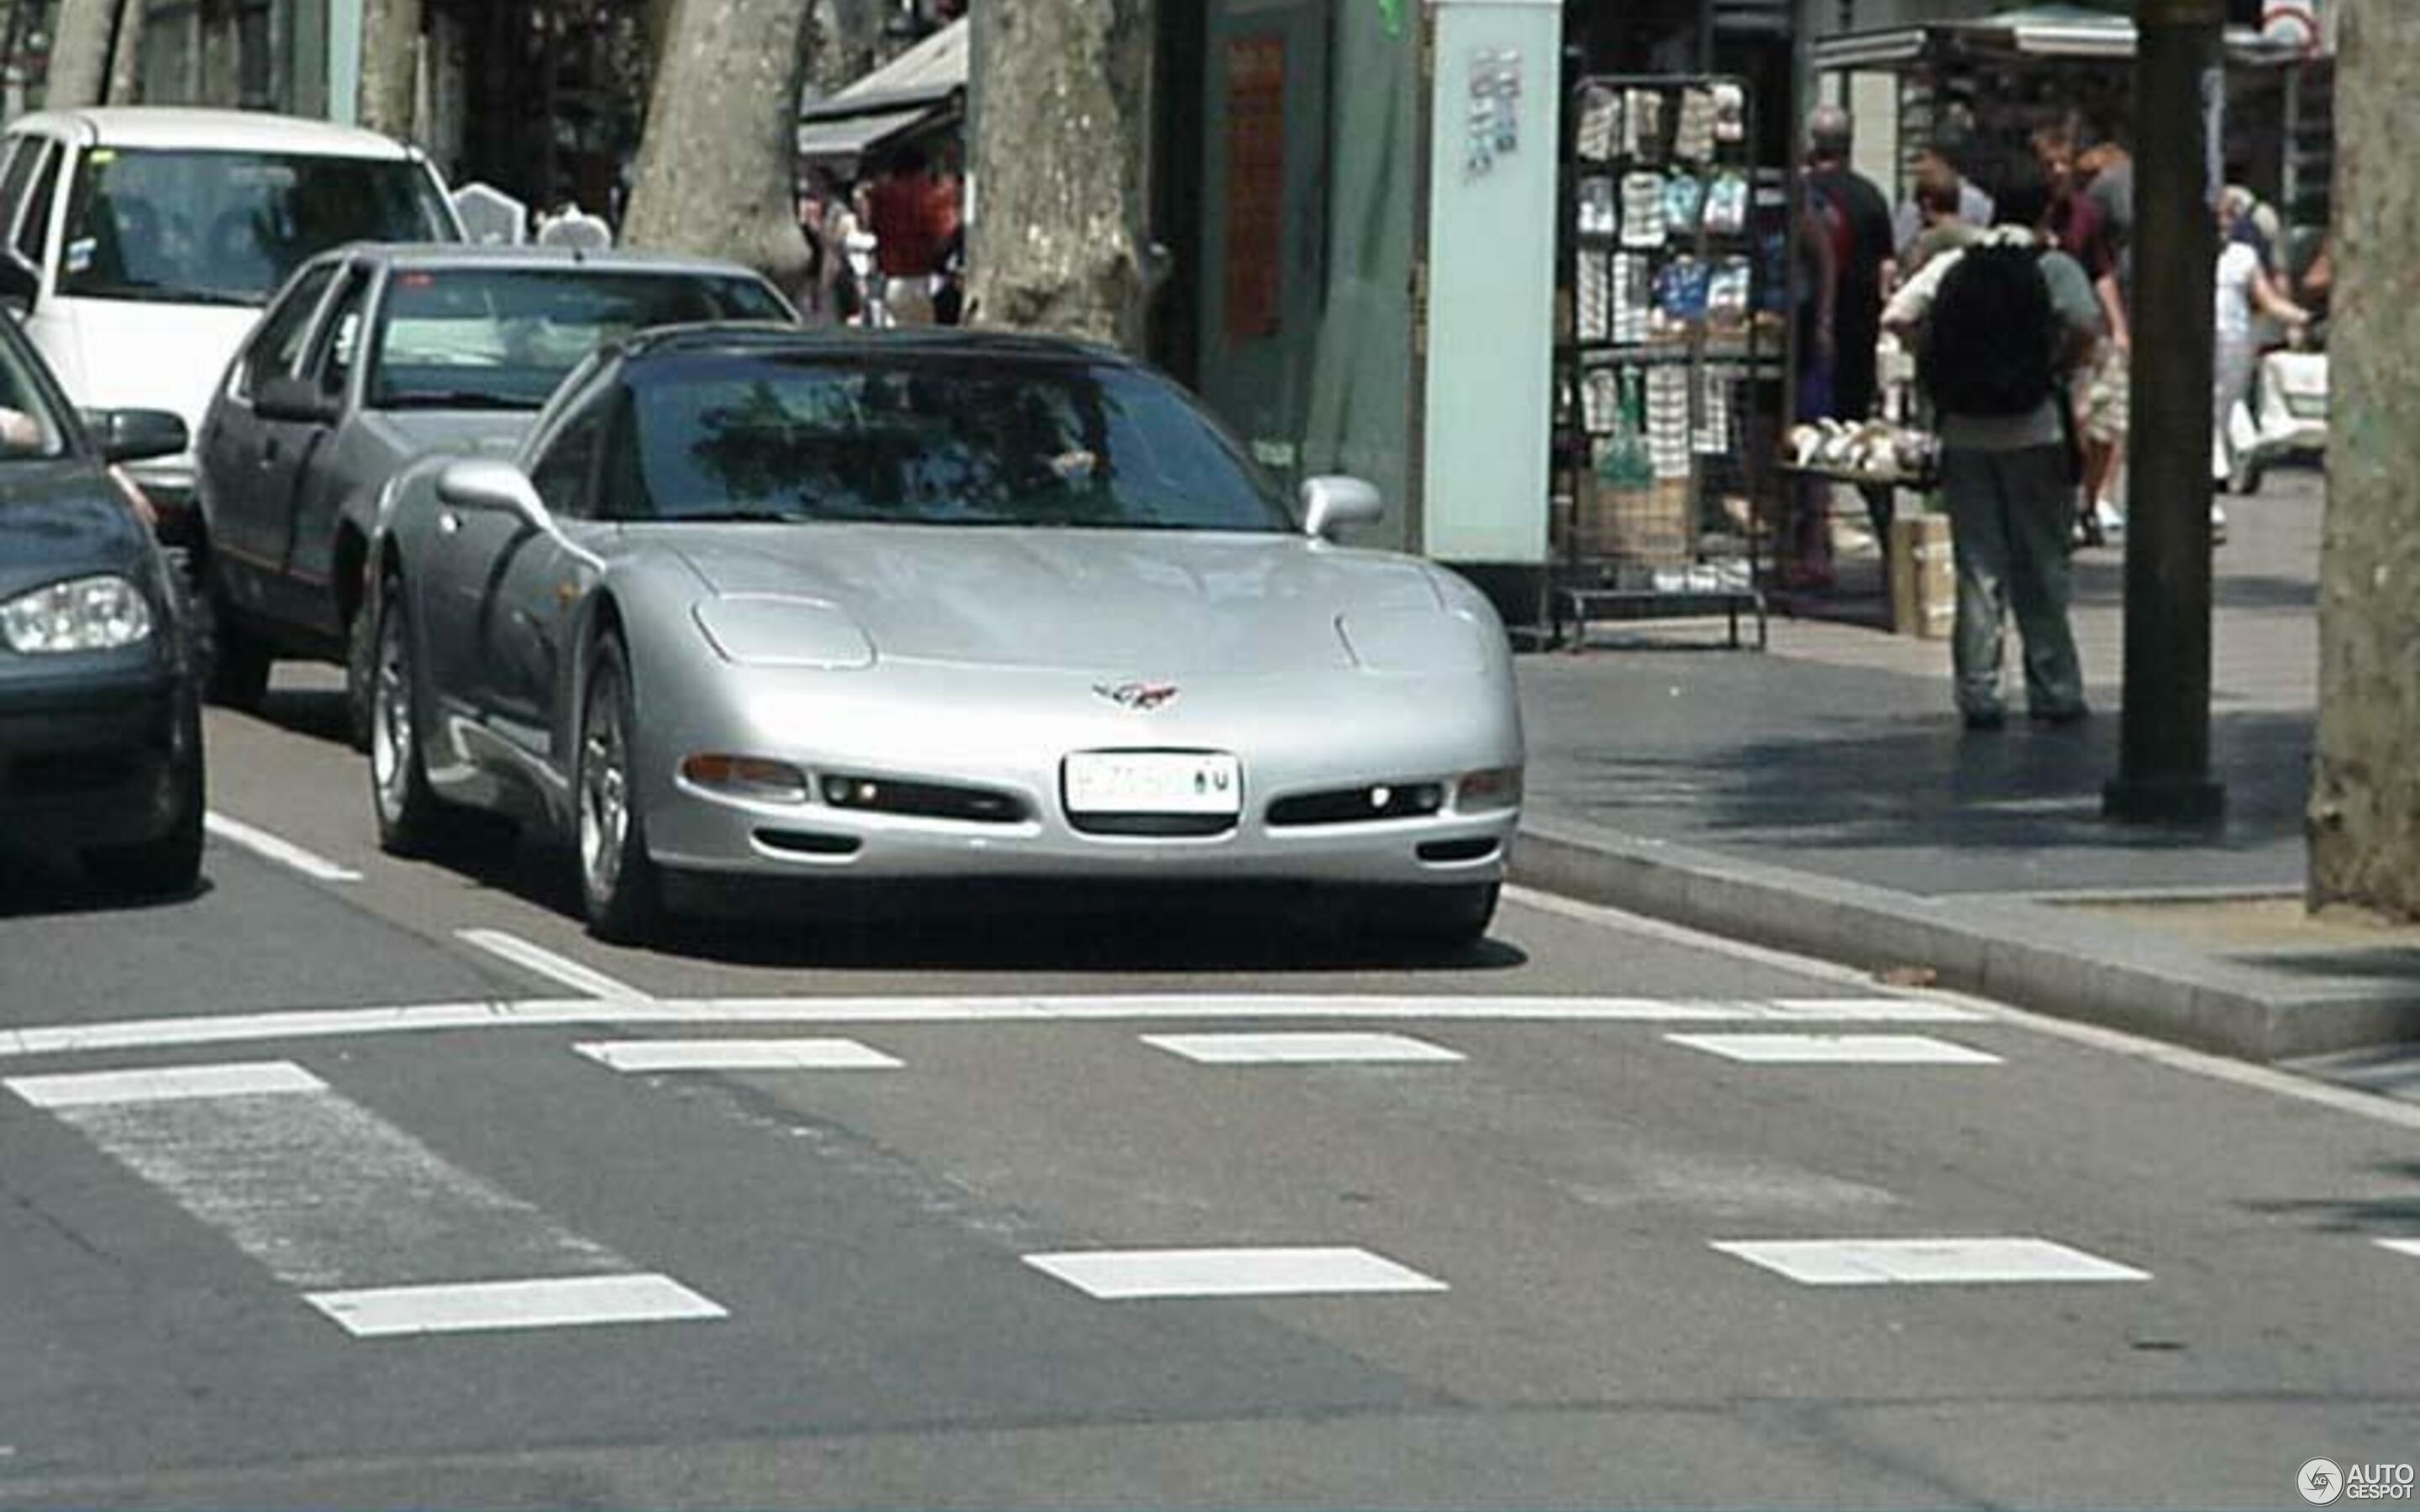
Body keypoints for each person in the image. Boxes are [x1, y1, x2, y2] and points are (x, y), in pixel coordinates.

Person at [1891, 179, 2098, 731]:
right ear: (2047, 213)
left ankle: (1979, 692)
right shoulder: (2053, 267)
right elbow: (2086, 325)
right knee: (2041, 565)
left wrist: (1941, 368)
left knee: (1978, 568)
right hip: (2036, 430)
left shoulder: (1957, 265)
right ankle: (2054, 688)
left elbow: (1899, 317)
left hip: (1965, 434)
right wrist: (2053, 366)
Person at [1800, 105, 1897, 571]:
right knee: (1860, 441)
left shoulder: (1805, 196)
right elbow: (1886, 271)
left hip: (1809, 335)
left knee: (1809, 439)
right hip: (1860, 332)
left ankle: (1813, 546)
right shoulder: (1871, 198)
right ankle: (1890, 538)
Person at [2212, 197, 2314, 490]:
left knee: (2228, 399)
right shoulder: (2191, 259)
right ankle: (2218, 464)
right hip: (2200, 341)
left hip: (2235, 340)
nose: (2224, 223)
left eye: (2229, 217)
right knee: (2209, 401)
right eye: (2219, 216)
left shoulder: (2244, 256)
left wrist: (2302, 318)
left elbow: (2267, 299)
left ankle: (2239, 453)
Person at [2073, 129, 2133, 546]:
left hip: (2108, 317)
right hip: (2114, 314)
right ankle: (2095, 497)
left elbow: (2099, 265)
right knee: (2102, 414)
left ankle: (2096, 497)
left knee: (2103, 413)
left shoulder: (2103, 189)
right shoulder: (2108, 188)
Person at [862, 143, 959, 328]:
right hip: (921, 281)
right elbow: (945, 234)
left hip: (889, 282)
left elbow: (871, 225)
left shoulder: (882, 196)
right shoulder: (930, 195)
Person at [1891, 142, 1994, 262]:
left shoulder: (1975, 201)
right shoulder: (1912, 207)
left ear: (1948, 167)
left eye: (1930, 172)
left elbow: (1987, 241)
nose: (1921, 169)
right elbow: (1898, 248)